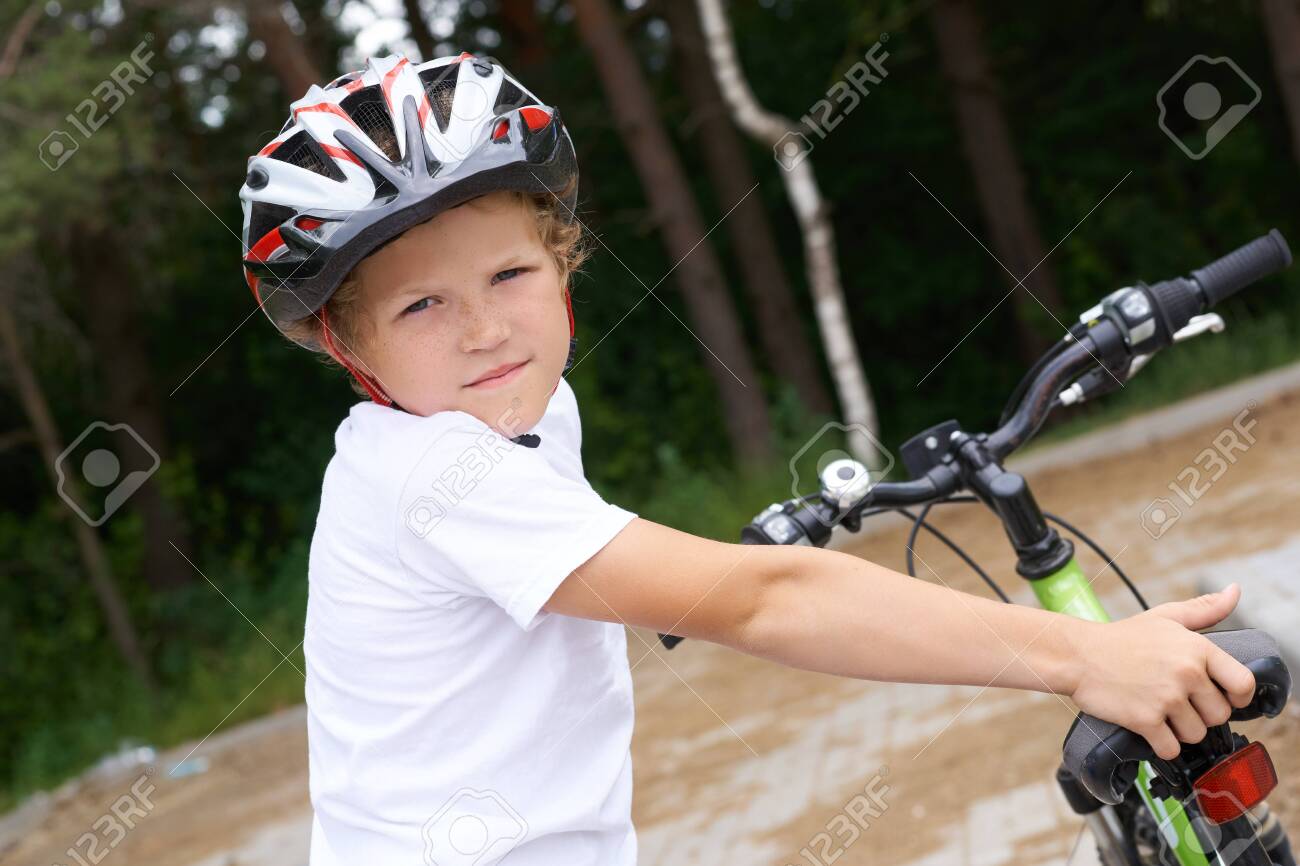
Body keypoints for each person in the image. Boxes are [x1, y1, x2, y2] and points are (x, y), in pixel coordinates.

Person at [239, 53, 1257, 866]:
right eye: (422, 305)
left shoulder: (527, 417)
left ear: (561, 261)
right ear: (346, 345)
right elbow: (758, 602)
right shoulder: (428, 470)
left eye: (508, 274)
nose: (484, 330)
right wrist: (1085, 656)